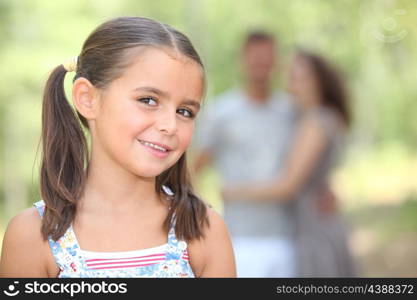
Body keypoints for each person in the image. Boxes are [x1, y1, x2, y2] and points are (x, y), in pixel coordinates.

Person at [0, 17, 236, 278]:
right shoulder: (33, 236)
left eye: (185, 111)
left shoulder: (203, 230)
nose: (170, 125)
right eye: (148, 100)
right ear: (87, 99)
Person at [223, 50, 356, 277]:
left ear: (316, 81)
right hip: (308, 223)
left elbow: (288, 186)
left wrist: (233, 191)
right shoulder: (304, 117)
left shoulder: (315, 121)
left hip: (315, 229)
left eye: (296, 76)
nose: (289, 82)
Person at [193, 31, 297, 277]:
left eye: (267, 57)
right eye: (255, 57)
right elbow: (193, 169)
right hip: (240, 239)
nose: (261, 63)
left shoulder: (291, 111)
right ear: (242, 61)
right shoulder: (222, 113)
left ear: (277, 62)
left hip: (290, 238)